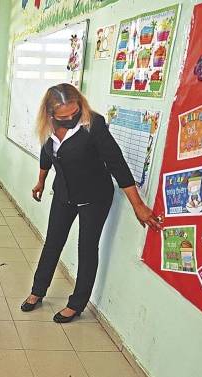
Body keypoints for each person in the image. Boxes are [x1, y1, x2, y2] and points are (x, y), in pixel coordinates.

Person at [21, 84, 161, 323]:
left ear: (80, 105)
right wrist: (41, 181)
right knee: (53, 243)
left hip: (94, 197)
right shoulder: (48, 125)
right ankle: (37, 291)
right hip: (65, 194)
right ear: (50, 113)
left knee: (86, 248)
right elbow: (47, 154)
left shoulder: (93, 125)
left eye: (73, 113)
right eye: (63, 116)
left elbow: (117, 164)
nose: (69, 119)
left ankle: (77, 304)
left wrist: (137, 204)